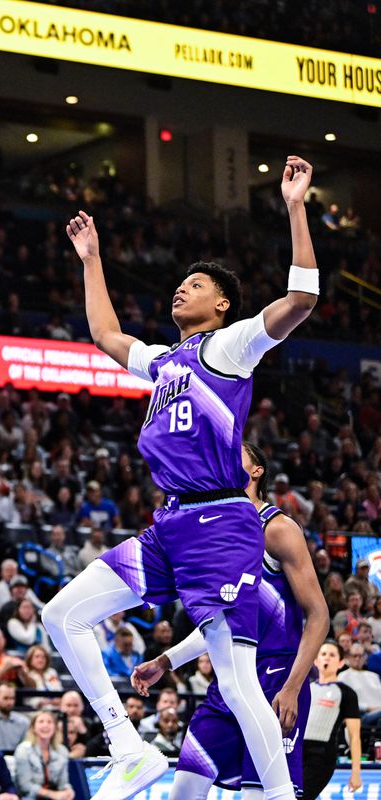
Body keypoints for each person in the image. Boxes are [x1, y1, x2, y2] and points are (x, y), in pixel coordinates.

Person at [42, 157, 320, 800]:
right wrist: (91, 259)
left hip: (221, 522)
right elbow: (105, 334)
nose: (180, 290)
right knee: (62, 615)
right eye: (180, 284)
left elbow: (301, 301)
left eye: (195, 285)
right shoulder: (165, 360)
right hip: (170, 524)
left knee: (238, 681)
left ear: (220, 304)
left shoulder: (231, 347)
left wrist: (295, 207)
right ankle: (127, 746)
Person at [132, 442, 329, 799]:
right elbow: (219, 623)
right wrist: (165, 661)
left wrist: (293, 687)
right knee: (183, 790)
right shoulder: (218, 537)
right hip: (230, 679)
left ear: (257, 471)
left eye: (234, 453)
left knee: (260, 795)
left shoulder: (278, 528)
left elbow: (319, 616)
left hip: (275, 679)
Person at [303, 642, 362, 797]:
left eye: (332, 655)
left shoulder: (346, 693)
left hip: (321, 756)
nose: (326, 658)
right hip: (296, 752)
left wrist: (356, 772)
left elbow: (354, 736)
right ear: (316, 661)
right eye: (323, 654)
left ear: (341, 663)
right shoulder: (305, 689)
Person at [12, 710, 73, 800]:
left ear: (55, 727)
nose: (45, 725)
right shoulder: (23, 750)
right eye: (41, 722)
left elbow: (63, 783)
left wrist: (67, 791)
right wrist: (52, 794)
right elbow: (25, 786)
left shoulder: (62, 751)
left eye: (49, 722)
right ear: (33, 727)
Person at [0, 683, 29, 754]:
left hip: (17, 758)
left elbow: (26, 748)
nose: (10, 702)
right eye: (6, 698)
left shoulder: (23, 722)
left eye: (12, 698)